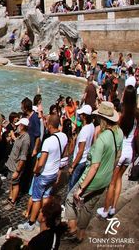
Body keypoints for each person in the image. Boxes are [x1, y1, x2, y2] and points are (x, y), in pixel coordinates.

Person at [64, 102, 124, 242]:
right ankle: (80, 235)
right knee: (88, 207)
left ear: (102, 119)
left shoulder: (102, 139)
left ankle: (73, 230)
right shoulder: (119, 133)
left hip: (93, 179)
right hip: (106, 178)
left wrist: (81, 188)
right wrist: (108, 170)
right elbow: (118, 156)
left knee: (70, 199)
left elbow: (94, 167)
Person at [19, 114, 67, 232]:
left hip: (44, 174)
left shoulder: (48, 141)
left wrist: (35, 171)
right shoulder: (64, 136)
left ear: (50, 126)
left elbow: (41, 162)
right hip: (54, 173)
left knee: (36, 199)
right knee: (45, 197)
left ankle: (31, 223)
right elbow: (64, 154)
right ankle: (42, 217)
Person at [97, 85, 137, 218]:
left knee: (112, 182)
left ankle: (105, 210)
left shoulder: (122, 115)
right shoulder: (137, 114)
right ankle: (113, 207)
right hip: (130, 152)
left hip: (120, 151)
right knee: (119, 179)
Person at [4, 117, 30, 205]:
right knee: (12, 183)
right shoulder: (20, 136)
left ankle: (12, 202)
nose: (17, 127)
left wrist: (17, 171)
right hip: (12, 164)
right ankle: (10, 198)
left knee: (15, 184)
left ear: (22, 126)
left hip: (16, 166)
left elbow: (23, 157)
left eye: (18, 125)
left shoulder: (25, 139)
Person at [68, 104, 94, 191]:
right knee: (77, 182)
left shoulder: (84, 131)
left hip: (79, 161)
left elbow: (80, 151)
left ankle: (67, 203)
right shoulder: (92, 126)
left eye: (81, 114)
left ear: (85, 116)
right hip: (85, 159)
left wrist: (72, 166)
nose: (79, 116)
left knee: (72, 183)